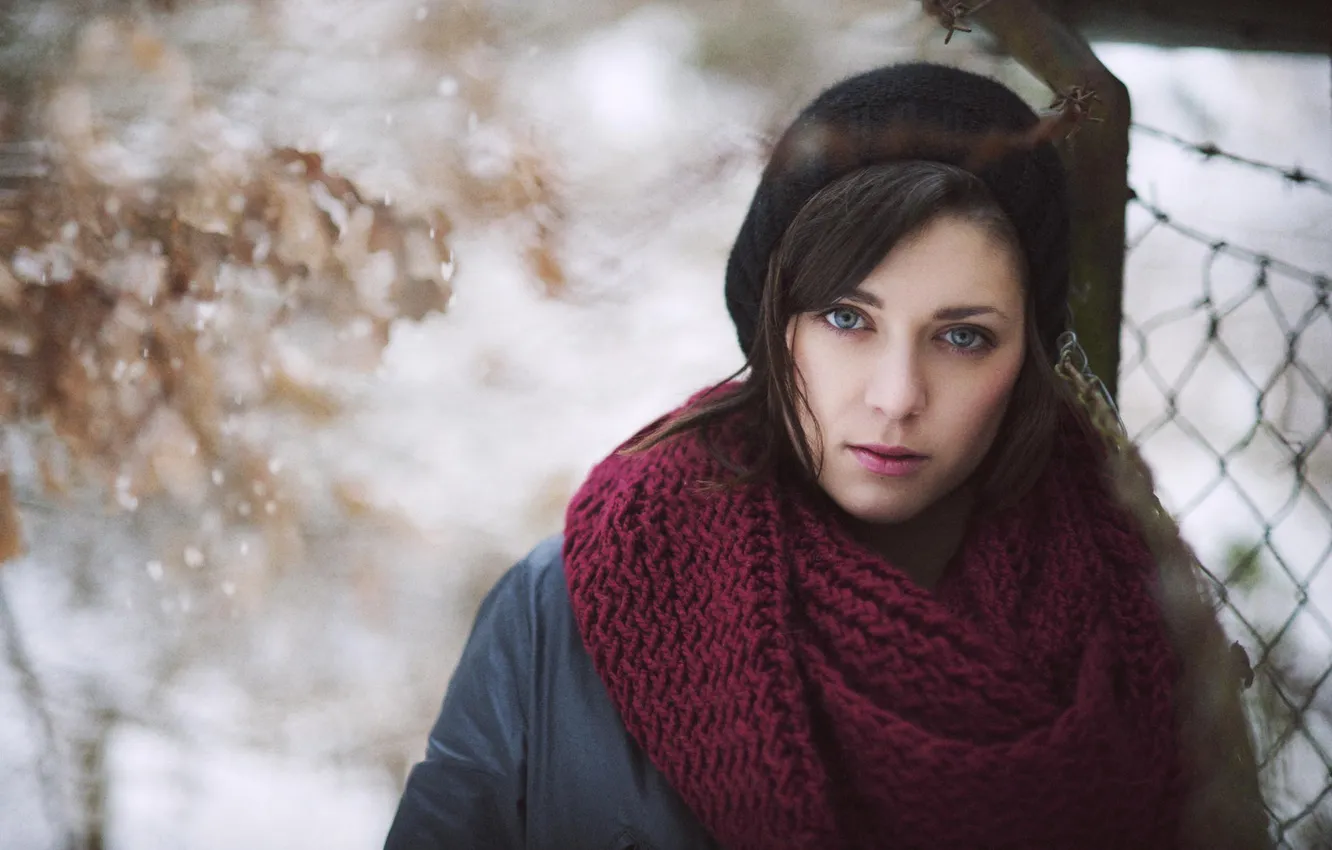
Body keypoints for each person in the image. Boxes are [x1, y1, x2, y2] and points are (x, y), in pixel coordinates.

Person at [383, 62, 1268, 850]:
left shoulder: (1142, 636)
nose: (895, 395)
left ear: (1025, 359)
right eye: (848, 319)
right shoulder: (564, 612)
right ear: (778, 325)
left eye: (962, 337)